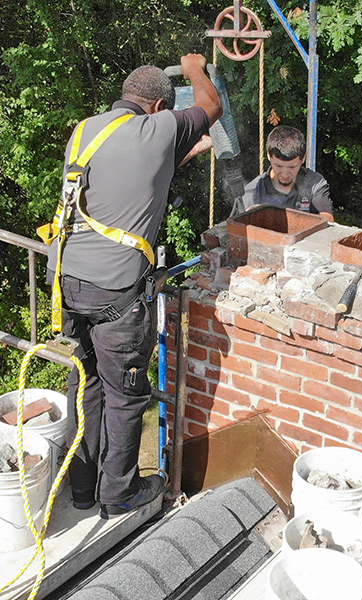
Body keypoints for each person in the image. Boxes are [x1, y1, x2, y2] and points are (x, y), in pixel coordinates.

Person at [44, 54, 222, 519]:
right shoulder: (159, 126)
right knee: (126, 394)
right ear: (159, 105)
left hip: (70, 282)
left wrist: (181, 155)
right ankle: (118, 494)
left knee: (86, 383)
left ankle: (82, 487)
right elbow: (212, 104)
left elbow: (126, 178)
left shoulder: (86, 129)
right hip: (115, 294)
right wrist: (194, 68)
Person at [242, 126, 334, 221]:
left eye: (292, 167)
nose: (285, 174)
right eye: (278, 166)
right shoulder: (252, 192)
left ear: (303, 158)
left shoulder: (314, 182)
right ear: (269, 156)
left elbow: (327, 218)